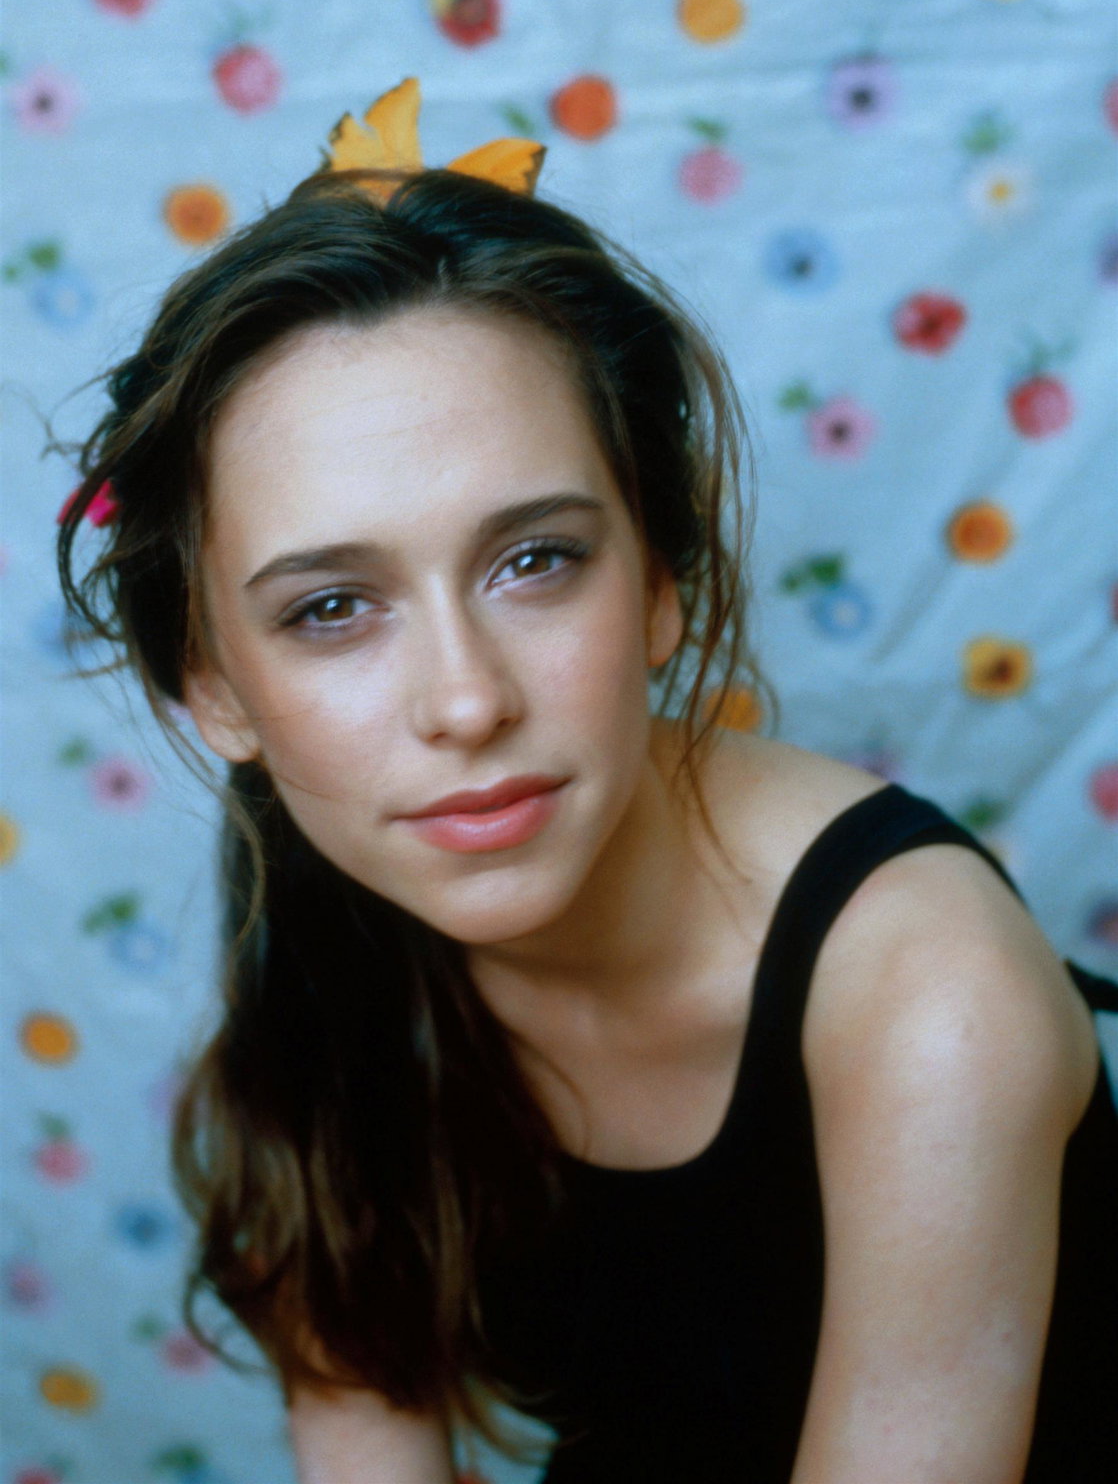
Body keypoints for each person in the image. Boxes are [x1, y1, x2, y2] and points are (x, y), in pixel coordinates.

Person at [56, 80, 1118, 1484]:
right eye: (331, 609)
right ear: (214, 689)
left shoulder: (935, 999)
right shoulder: (325, 924)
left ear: (662, 580)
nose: (465, 702)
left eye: (535, 560)